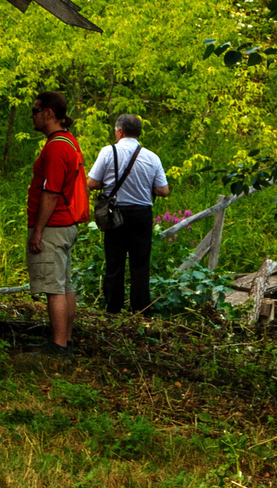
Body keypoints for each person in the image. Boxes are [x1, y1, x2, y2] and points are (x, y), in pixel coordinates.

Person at [26, 91, 90, 357]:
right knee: (64, 285)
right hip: (66, 223)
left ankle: (59, 346)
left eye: (35, 110)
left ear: (49, 114)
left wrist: (38, 231)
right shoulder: (69, 142)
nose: (33, 116)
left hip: (54, 226)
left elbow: (50, 192)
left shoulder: (56, 147)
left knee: (54, 288)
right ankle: (65, 339)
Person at [88, 113, 170, 318]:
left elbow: (91, 183)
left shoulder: (108, 152)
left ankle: (113, 310)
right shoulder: (152, 157)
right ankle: (141, 311)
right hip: (142, 214)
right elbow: (163, 190)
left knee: (114, 262)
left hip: (114, 213)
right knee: (140, 265)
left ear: (120, 131)